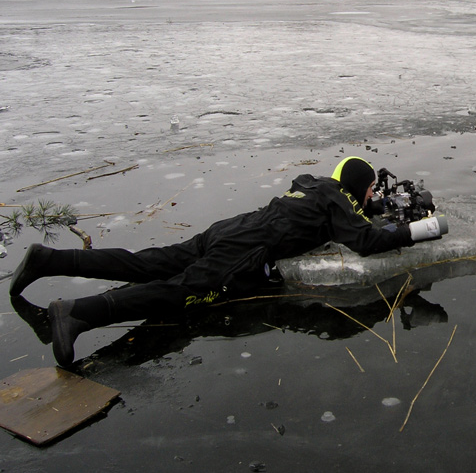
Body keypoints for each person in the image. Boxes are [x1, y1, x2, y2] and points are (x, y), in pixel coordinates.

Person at [10, 156, 436, 367]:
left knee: (146, 263)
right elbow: (362, 241)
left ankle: (47, 259)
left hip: (229, 228)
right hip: (244, 251)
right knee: (181, 291)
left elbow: (341, 205)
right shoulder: (339, 201)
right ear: (355, 190)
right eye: (366, 194)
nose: (367, 200)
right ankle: (76, 314)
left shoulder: (313, 185)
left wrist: (371, 206)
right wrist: (418, 230)